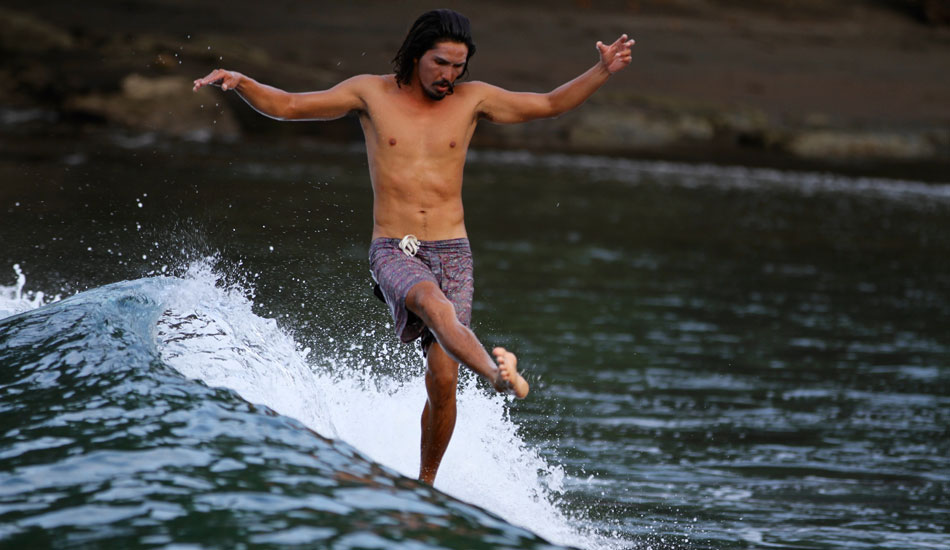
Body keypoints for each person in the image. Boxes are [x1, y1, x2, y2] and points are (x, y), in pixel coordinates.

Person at [194, 8, 635, 484]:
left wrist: (601, 70)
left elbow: (548, 104)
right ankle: (498, 375)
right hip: (394, 248)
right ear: (416, 53)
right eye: (441, 63)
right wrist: (243, 83)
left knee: (443, 381)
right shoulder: (370, 93)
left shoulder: (473, 100)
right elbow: (290, 105)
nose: (449, 76)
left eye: (458, 67)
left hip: (454, 249)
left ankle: (424, 486)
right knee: (431, 303)